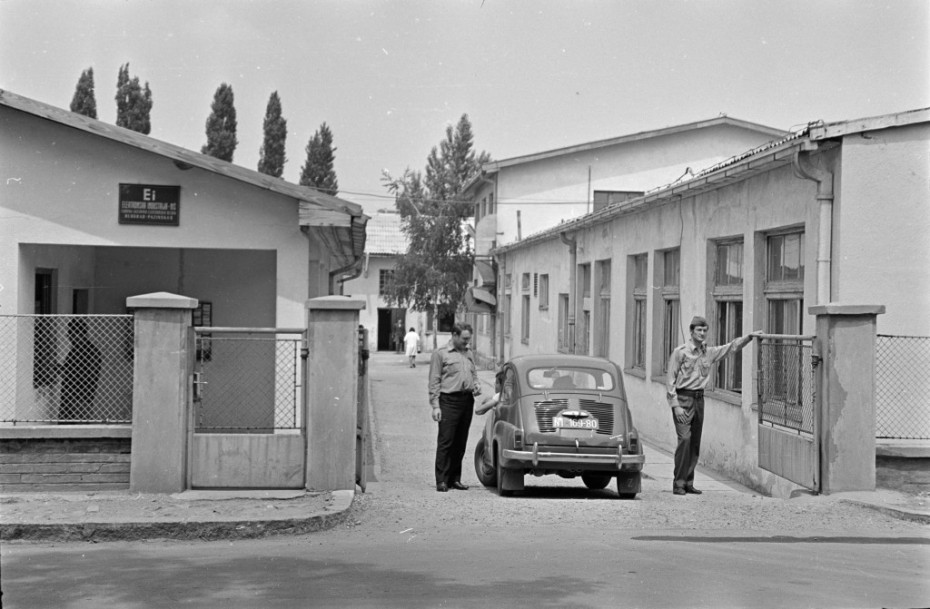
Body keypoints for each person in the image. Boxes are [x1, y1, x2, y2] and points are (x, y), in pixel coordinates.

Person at [666, 316, 761, 496]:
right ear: (691, 331)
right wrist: (676, 405)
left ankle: (688, 482)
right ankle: (678, 483)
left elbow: (730, 348)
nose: (702, 334)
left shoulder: (708, 353)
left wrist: (748, 337)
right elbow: (670, 381)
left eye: (704, 330)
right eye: (699, 330)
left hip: (699, 400)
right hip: (683, 399)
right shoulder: (680, 352)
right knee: (684, 440)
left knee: (694, 443)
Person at [428, 323, 480, 492]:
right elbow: (434, 381)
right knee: (446, 441)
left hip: (467, 400)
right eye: (464, 339)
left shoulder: (469, 353)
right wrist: (435, 406)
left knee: (460, 442)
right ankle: (442, 480)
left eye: (468, 339)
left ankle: (455, 479)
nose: (467, 342)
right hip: (448, 401)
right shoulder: (440, 354)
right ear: (454, 335)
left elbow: (474, 374)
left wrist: (477, 384)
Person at [58, 318, 103, 422]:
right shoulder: (74, 351)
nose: (69, 337)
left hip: (81, 397)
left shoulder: (91, 351)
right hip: (70, 396)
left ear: (81, 334)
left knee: (77, 426)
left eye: (71, 333)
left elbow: (88, 375)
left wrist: (66, 372)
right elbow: (70, 370)